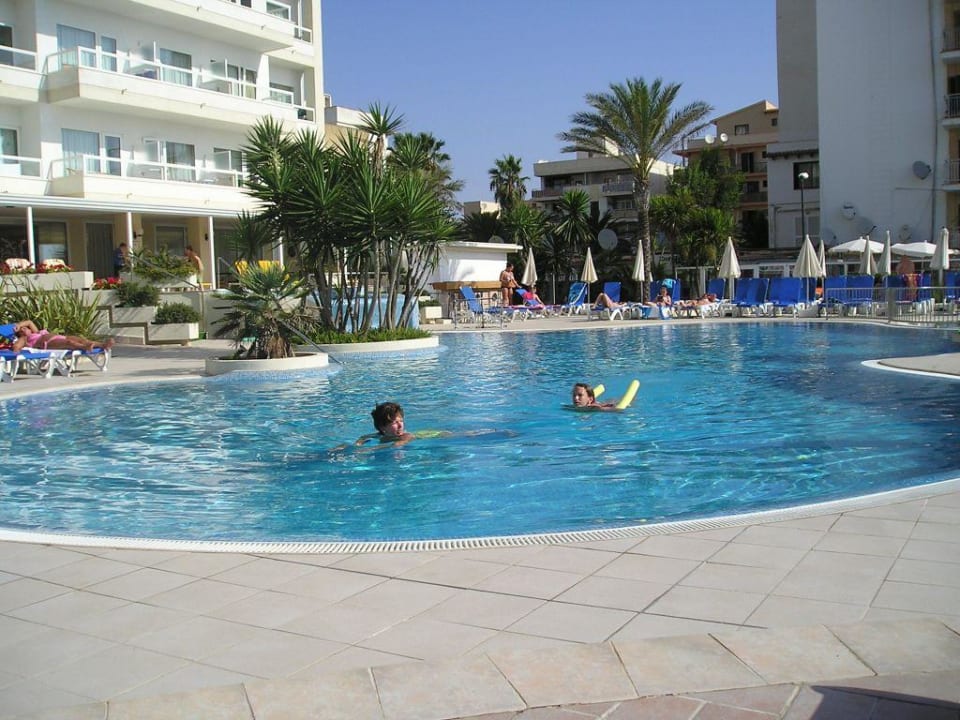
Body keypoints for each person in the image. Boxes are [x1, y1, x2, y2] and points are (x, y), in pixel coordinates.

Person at [11, 320, 114, 354]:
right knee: (69, 343)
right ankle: (85, 347)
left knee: (81, 339)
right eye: (21, 331)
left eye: (25, 328)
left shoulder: (36, 332)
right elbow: (16, 346)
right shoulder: (24, 339)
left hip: (60, 337)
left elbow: (29, 322)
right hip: (48, 344)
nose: (23, 329)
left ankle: (103, 345)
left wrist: (18, 325)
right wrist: (18, 353)